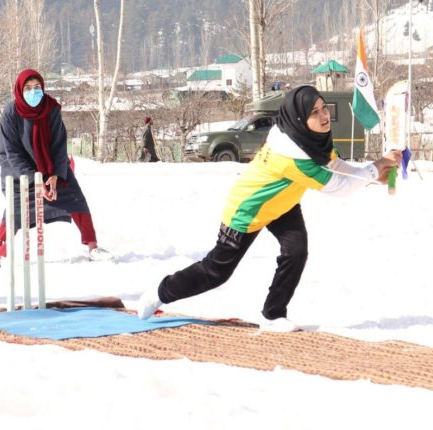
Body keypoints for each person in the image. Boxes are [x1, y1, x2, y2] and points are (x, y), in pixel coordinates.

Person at [133, 85, 398, 332]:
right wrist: (373, 170)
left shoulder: (309, 138)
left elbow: (335, 166)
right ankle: (160, 292)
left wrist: (372, 171)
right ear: (298, 119)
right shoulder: (292, 157)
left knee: (296, 252)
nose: (323, 116)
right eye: (314, 113)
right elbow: (338, 186)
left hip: (281, 204)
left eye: (323, 108)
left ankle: (272, 315)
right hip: (248, 208)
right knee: (216, 272)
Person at [0, 69, 108, 269]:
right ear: (19, 90)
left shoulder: (51, 109)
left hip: (51, 165)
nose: (33, 92)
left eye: (37, 87)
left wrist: (56, 175)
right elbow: (13, 153)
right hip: (18, 170)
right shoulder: (10, 113)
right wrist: (36, 179)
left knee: (76, 199)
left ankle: (93, 247)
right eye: (28, 88)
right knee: (15, 208)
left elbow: (59, 144)